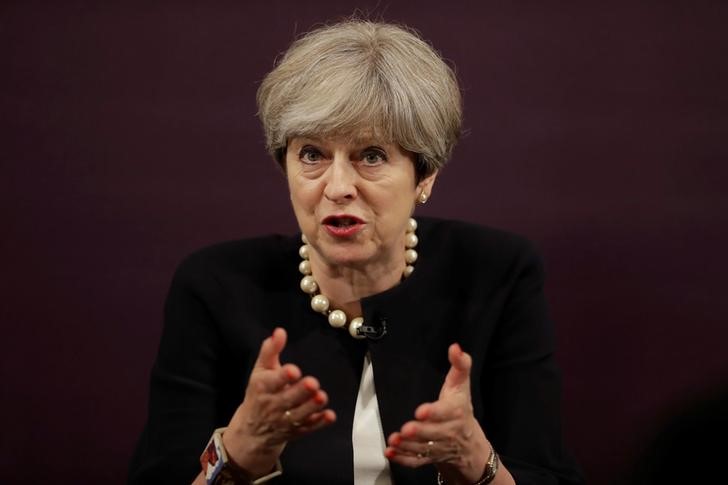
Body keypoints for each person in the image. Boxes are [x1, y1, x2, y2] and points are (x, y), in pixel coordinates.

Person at [128, 19, 584, 485]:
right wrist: (241, 453)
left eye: (371, 156)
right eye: (312, 155)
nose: (338, 187)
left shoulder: (496, 274)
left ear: (424, 175)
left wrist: (476, 462)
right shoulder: (216, 287)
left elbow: (548, 473)